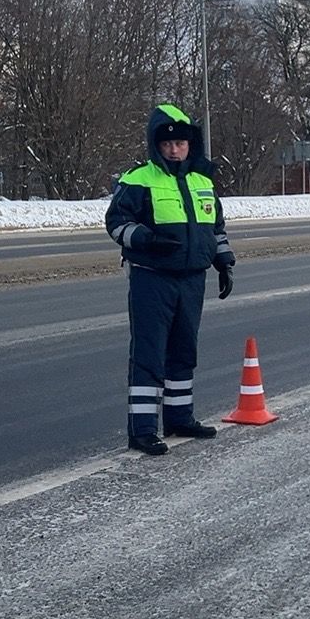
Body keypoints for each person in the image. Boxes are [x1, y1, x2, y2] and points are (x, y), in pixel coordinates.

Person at [105, 104, 235, 455]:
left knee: (183, 351)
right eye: (168, 144)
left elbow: (215, 227)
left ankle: (180, 419)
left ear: (190, 144)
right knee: (149, 353)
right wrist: (145, 239)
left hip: (192, 279)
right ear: (156, 145)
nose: (175, 149)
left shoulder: (202, 181)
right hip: (153, 279)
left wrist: (224, 261)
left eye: (181, 143)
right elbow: (116, 223)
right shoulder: (138, 180)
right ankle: (143, 430)